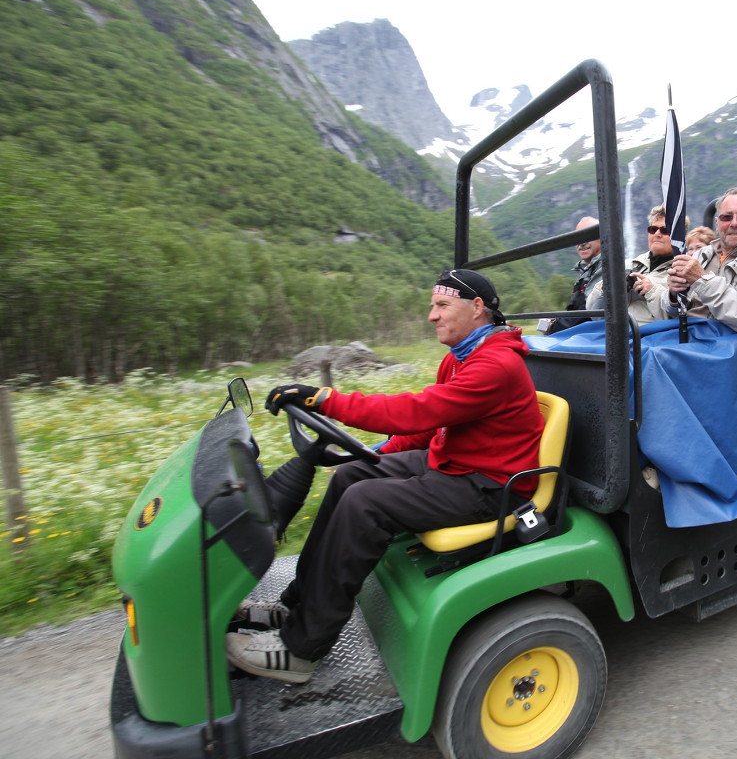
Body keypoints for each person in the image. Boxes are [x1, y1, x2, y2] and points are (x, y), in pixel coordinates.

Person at [226, 269, 543, 683]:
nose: (432, 316)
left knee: (365, 504)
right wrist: (374, 453)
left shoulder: (496, 364)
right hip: (452, 464)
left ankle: (303, 649)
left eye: (442, 305)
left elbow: (415, 410)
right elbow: (432, 428)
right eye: (433, 305)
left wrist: (325, 399)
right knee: (351, 477)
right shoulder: (460, 357)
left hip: (489, 485)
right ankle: (296, 604)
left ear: (477, 308)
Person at [661, 187, 737, 381]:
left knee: (656, 363)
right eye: (727, 217)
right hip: (692, 342)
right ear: (717, 222)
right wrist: (673, 293)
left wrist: (702, 280)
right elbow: (670, 309)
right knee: (631, 352)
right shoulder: (702, 255)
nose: (734, 223)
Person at [586, 204, 681, 327]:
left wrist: (651, 291)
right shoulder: (625, 265)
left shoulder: (683, 270)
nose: (657, 234)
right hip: (612, 334)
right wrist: (607, 287)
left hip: (652, 337)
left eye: (665, 230)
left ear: (679, 235)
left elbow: (677, 318)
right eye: (653, 229)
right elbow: (593, 312)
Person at [546, 216, 602, 334]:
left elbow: (587, 315)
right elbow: (576, 312)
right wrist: (557, 322)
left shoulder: (606, 269)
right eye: (578, 238)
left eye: (588, 236)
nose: (582, 242)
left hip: (591, 338)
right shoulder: (585, 271)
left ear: (602, 238)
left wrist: (553, 328)